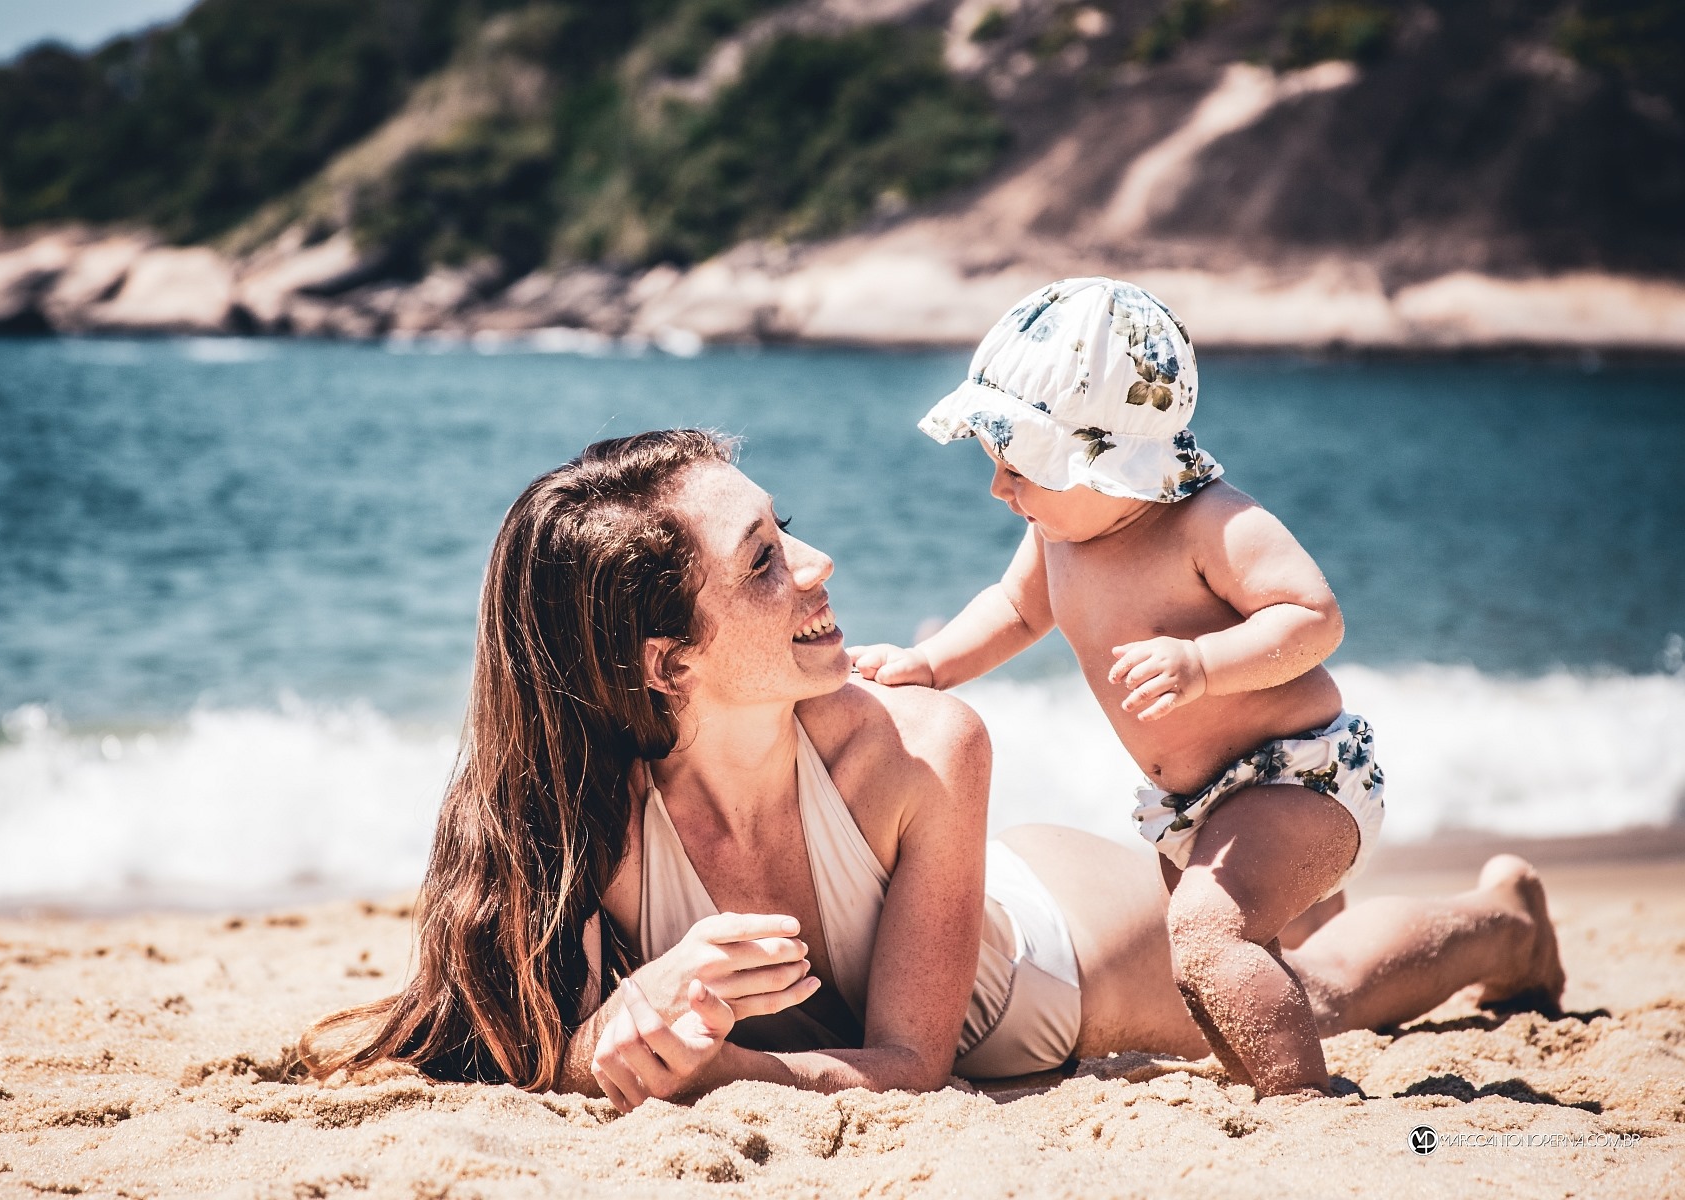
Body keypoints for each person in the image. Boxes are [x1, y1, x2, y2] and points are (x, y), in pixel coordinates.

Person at [302, 429, 1564, 1109]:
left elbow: (915, 1068)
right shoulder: (568, 815)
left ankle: (1503, 924)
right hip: (958, 925)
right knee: (1301, 966)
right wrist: (619, 1031)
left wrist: (723, 1065)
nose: (821, 562)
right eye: (762, 562)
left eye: (783, 527)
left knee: (1304, 988)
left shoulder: (922, 746)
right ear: (661, 663)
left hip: (1050, 958)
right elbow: (525, 1043)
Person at [850, 277, 1393, 1096]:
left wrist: (1203, 665)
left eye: (1021, 463)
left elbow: (1313, 617)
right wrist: (930, 667)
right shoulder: (1058, 533)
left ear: (1110, 462)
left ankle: (1306, 1106)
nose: (999, 485)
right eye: (994, 457)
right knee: (1212, 968)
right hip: (1191, 806)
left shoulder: (1209, 523)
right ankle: (1433, 950)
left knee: (1207, 937)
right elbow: (1011, 609)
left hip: (1297, 775)